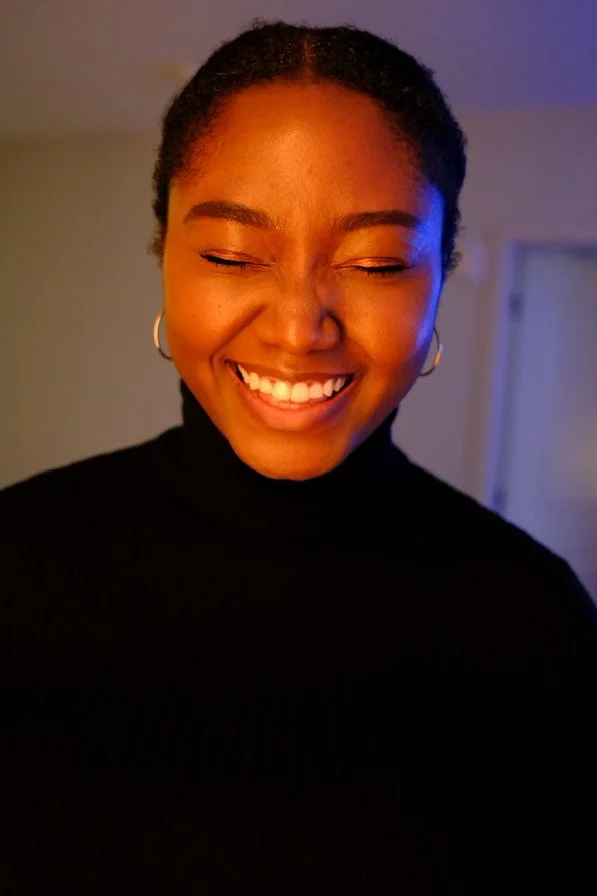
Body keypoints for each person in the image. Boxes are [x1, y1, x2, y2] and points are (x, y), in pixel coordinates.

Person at [1, 20, 596, 894]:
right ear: (165, 256)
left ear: (439, 282)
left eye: (378, 263)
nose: (296, 329)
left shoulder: (533, 619)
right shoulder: (18, 558)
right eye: (233, 255)